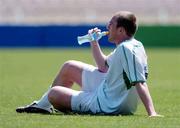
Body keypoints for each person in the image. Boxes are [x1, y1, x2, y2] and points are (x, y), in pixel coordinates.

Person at [16, 11, 163, 117]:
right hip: (113, 95)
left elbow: (139, 82)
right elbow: (103, 67)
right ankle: (42, 106)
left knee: (53, 94)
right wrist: (94, 42)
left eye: (111, 24)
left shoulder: (125, 49)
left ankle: (46, 105)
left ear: (121, 30)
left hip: (108, 104)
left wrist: (152, 113)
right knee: (69, 66)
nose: (107, 26)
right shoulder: (134, 45)